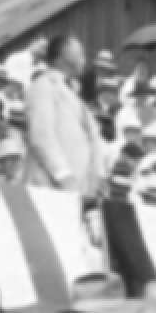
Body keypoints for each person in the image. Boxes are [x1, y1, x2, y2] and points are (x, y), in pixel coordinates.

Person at [24, 34, 103, 199]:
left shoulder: (74, 94)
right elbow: (41, 136)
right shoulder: (43, 86)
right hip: (50, 187)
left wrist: (97, 177)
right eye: (80, 54)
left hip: (80, 191)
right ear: (63, 57)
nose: (84, 60)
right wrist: (63, 175)